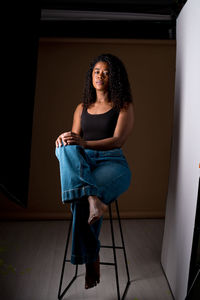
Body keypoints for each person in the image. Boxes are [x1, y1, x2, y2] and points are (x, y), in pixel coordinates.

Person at [55, 53, 134, 290]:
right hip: (85, 165)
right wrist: (65, 139)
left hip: (112, 164)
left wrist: (84, 144)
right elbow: (74, 143)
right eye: (97, 71)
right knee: (64, 146)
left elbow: (118, 141)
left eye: (106, 72)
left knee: (79, 200)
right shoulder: (81, 107)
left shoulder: (124, 106)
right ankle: (93, 200)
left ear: (114, 78)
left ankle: (89, 259)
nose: (100, 76)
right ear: (91, 75)